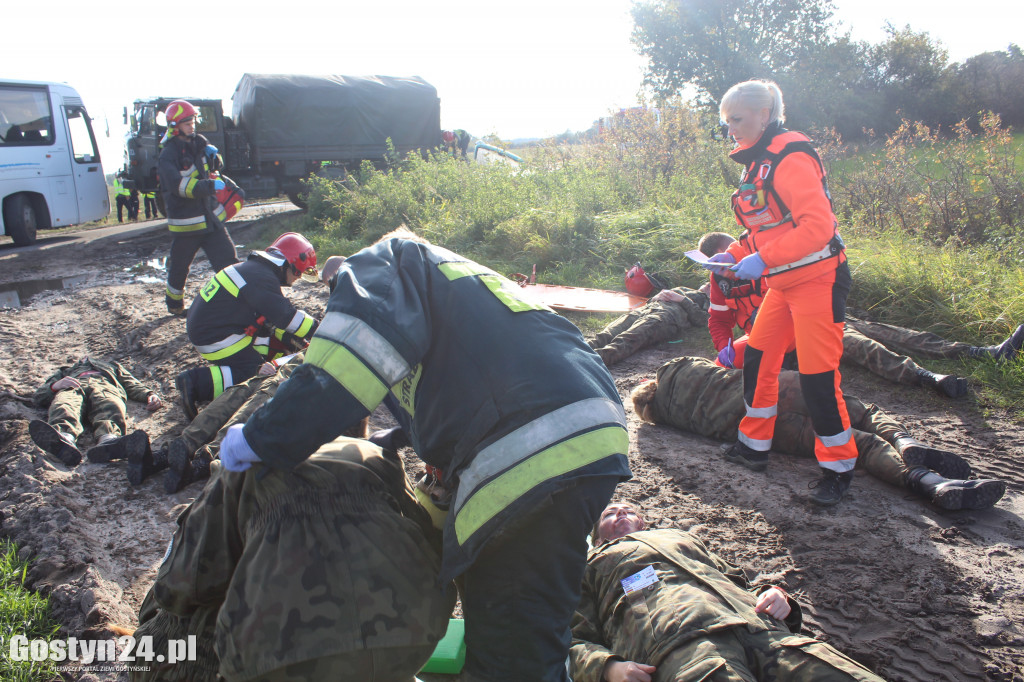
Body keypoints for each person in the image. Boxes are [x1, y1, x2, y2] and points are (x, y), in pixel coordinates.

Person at [218, 227, 632, 682]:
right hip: (589, 428)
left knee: (511, 645)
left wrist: (260, 438)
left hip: (534, 441)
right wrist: (394, 442)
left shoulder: (380, 264)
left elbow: (344, 368)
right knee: (532, 618)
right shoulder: (451, 286)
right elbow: (451, 398)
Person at [130, 436, 454, 682]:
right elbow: (429, 543)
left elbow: (182, 586)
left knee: (167, 638)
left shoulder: (245, 462)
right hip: (409, 638)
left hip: (282, 660)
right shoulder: (376, 454)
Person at [713, 79, 857, 506]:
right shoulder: (757, 160)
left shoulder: (791, 156)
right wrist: (739, 254)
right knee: (757, 361)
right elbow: (768, 225)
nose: (730, 129)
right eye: (726, 122)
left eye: (736, 119)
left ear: (764, 114)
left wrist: (764, 258)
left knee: (817, 380)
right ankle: (753, 448)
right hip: (783, 282)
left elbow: (818, 228)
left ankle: (838, 469)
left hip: (818, 281)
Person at [632, 356, 1006, 511]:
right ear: (651, 382)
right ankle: (906, 441)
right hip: (776, 387)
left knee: (855, 443)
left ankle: (929, 483)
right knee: (860, 411)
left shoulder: (665, 418)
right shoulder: (675, 366)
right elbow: (722, 362)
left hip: (757, 428)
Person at [570, 502, 885, 682]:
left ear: (644, 520)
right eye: (609, 514)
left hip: (763, 630)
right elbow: (571, 639)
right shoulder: (589, 565)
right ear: (596, 537)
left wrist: (778, 598)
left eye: (627, 510)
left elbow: (741, 582)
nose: (621, 513)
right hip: (686, 651)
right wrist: (607, 669)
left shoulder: (681, 539)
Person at [700, 231, 973, 399]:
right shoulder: (719, 282)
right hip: (775, 338)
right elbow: (719, 320)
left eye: (737, 249)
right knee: (862, 344)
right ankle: (925, 375)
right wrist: (722, 346)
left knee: (879, 334)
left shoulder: (766, 261)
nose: (737, 255)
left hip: (811, 318)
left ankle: (964, 355)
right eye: (726, 256)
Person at [174, 232, 320, 421]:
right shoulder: (262, 278)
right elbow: (286, 317)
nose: (298, 278)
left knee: (272, 342)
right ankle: (195, 383)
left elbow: (273, 318)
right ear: (288, 263)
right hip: (216, 337)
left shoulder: (254, 270)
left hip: (215, 328)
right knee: (256, 373)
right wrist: (321, 331)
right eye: (298, 272)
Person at [157, 99, 241, 316]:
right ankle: (175, 305)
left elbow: (215, 166)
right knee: (179, 268)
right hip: (187, 224)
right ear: (174, 126)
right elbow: (179, 186)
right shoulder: (168, 154)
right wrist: (209, 185)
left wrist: (216, 159)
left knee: (229, 262)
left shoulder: (200, 142)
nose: (191, 125)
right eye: (186, 122)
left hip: (210, 220)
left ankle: (241, 303)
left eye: (193, 120)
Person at [29, 357, 162, 466]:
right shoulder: (65, 371)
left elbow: (130, 383)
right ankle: (63, 439)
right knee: (64, 404)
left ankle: (108, 441)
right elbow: (39, 396)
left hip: (104, 385)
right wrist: (55, 386)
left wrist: (148, 394)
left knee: (110, 404)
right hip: (73, 386)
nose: (83, 358)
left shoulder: (111, 365)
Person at [587, 286, 710, 366]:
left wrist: (682, 299)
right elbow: (655, 298)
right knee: (605, 335)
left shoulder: (707, 301)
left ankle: (591, 362)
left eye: (711, 285)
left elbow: (702, 320)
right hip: (646, 309)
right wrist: (654, 298)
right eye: (707, 283)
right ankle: (575, 350)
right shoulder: (682, 288)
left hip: (666, 316)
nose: (708, 284)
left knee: (627, 339)